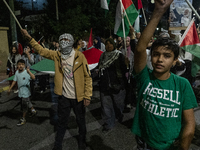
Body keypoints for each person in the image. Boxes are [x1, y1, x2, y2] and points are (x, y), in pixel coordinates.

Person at [131, 0, 198, 150]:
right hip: (144, 144)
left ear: (175, 61)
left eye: (167, 56)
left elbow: (189, 123)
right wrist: (158, 12)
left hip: (170, 146)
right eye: (156, 54)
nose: (160, 59)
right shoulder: (144, 78)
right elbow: (140, 49)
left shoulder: (182, 84)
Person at [21, 30, 92, 150]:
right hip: (64, 96)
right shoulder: (57, 55)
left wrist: (88, 95)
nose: (63, 42)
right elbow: (42, 51)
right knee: (61, 123)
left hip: (79, 97)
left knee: (81, 122)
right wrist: (29, 38)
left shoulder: (80, 56)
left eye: (66, 40)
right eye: (62, 40)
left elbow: (87, 77)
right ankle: (58, 145)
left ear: (71, 42)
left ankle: (82, 142)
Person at [98, 38, 129, 133]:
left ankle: (118, 115)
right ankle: (108, 124)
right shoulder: (102, 56)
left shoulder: (119, 55)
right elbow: (100, 67)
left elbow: (125, 70)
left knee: (118, 104)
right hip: (105, 85)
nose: (108, 46)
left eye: (110, 44)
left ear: (114, 45)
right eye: (106, 44)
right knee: (106, 106)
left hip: (117, 84)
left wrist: (127, 64)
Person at [8, 59, 37, 126]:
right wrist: (10, 88)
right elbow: (14, 81)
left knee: (24, 106)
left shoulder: (26, 72)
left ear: (24, 65)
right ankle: (33, 110)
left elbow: (33, 77)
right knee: (28, 101)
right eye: (19, 64)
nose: (20, 66)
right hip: (21, 92)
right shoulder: (17, 72)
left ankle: (23, 119)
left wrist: (29, 71)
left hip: (26, 92)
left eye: (22, 64)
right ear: (17, 65)